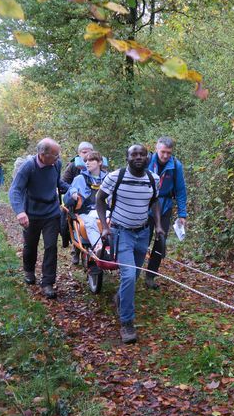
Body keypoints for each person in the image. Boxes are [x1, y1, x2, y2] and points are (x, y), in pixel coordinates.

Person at [96, 144, 164, 344]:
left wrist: (158, 225)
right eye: (134, 154)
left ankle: (120, 298)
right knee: (128, 274)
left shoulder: (153, 179)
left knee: (133, 275)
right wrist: (105, 227)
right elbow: (100, 200)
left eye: (142, 154)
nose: (138, 157)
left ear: (148, 158)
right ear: (127, 157)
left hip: (143, 232)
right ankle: (126, 323)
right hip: (121, 232)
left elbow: (155, 202)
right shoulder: (114, 177)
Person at [9, 138, 70, 299]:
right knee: (31, 245)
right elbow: (15, 190)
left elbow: (58, 183)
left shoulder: (56, 164)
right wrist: (20, 212)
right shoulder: (28, 167)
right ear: (43, 154)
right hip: (32, 214)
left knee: (51, 247)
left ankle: (48, 283)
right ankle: (29, 271)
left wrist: (72, 190)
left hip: (51, 212)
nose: (58, 158)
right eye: (55, 155)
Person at [144, 136, 188, 289]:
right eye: (163, 152)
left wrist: (182, 214)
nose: (165, 156)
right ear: (157, 149)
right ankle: (133, 271)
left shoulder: (176, 165)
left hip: (164, 207)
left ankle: (150, 276)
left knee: (159, 242)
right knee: (142, 239)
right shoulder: (146, 161)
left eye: (168, 153)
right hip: (145, 206)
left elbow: (181, 190)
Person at [63, 141, 110, 263]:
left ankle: (115, 249)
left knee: (116, 222)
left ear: (100, 162)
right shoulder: (80, 178)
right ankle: (99, 248)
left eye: (91, 160)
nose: (87, 163)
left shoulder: (109, 178)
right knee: (89, 222)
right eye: (86, 161)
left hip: (105, 210)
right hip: (85, 211)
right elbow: (67, 196)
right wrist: (72, 194)